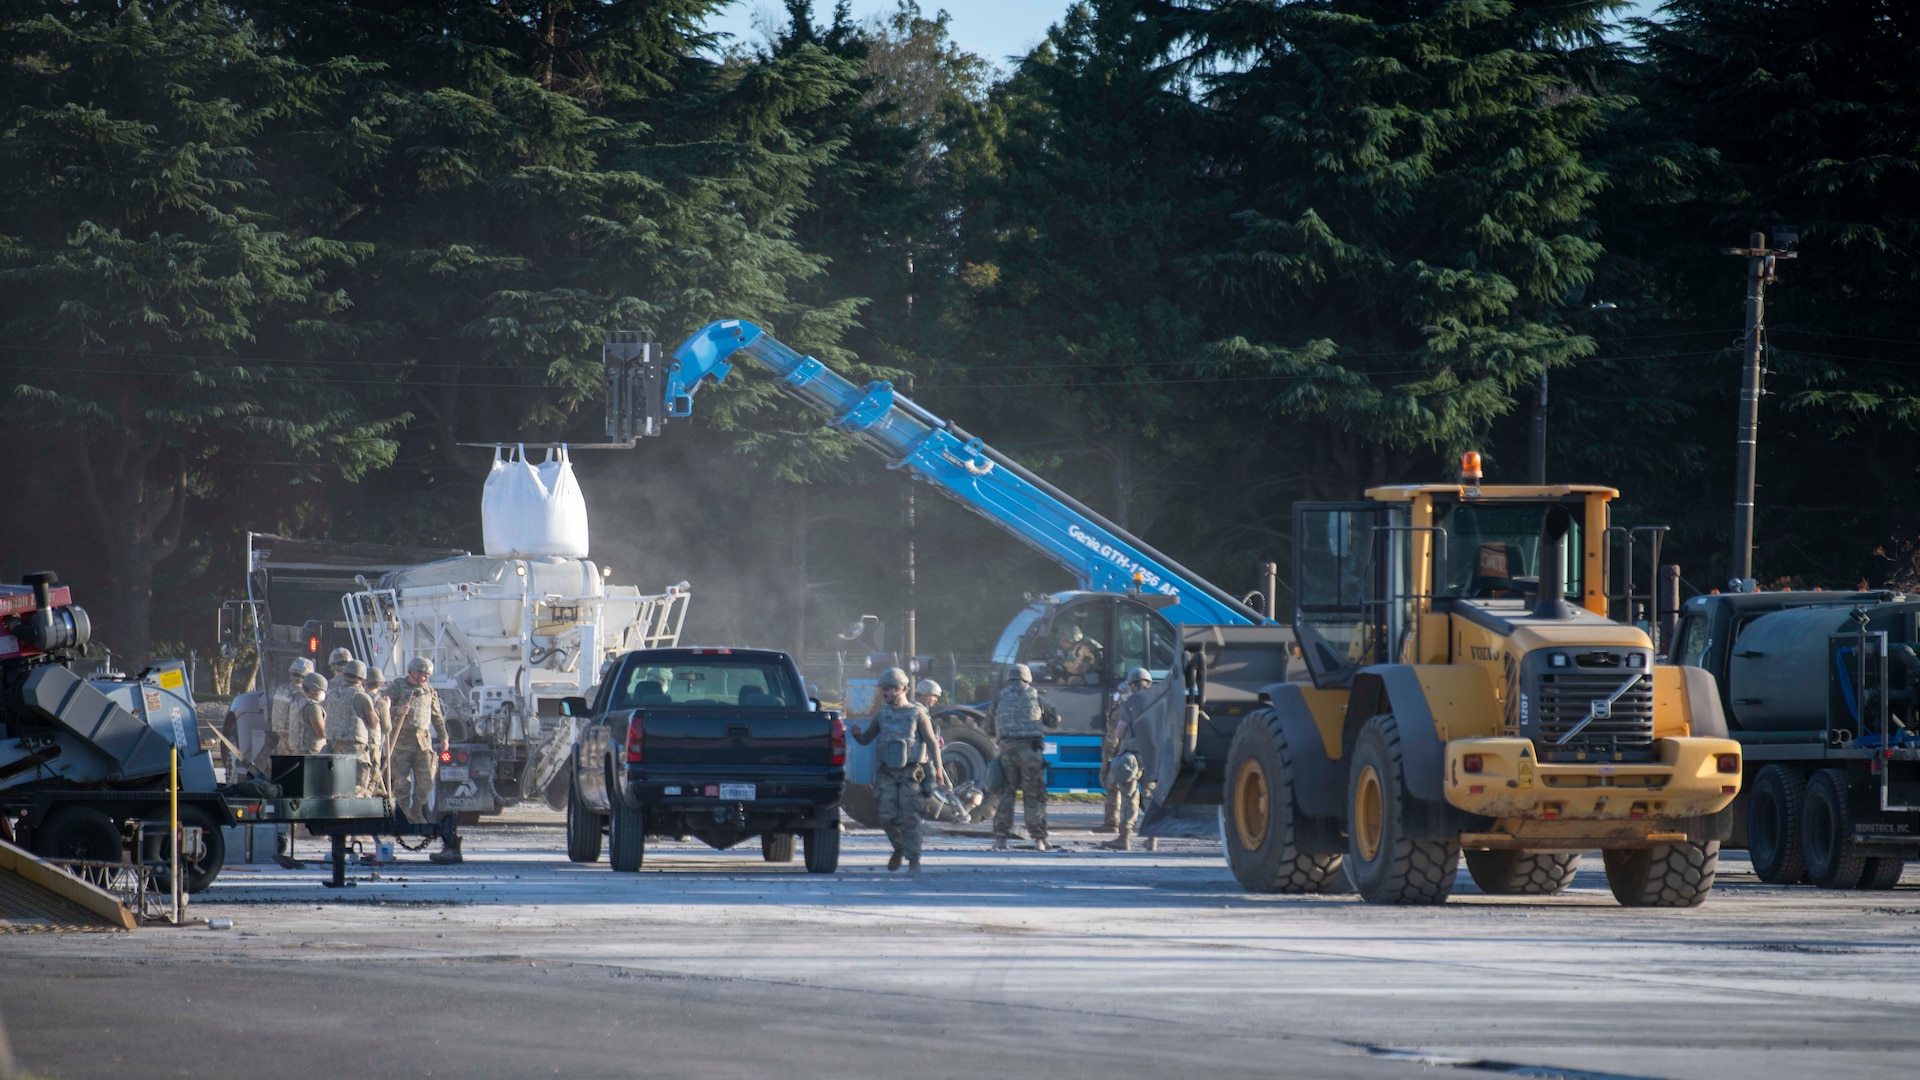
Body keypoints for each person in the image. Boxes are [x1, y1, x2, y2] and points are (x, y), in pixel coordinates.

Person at [847, 667, 945, 873]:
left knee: (910, 819)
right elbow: (867, 739)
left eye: (889, 689)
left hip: (911, 774)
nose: (885, 693)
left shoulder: (917, 714)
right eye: (883, 689)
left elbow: (932, 742)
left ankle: (914, 861)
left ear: (901, 689)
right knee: (885, 817)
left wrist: (938, 770)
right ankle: (900, 848)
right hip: (888, 774)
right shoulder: (882, 715)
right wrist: (856, 734)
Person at [986, 663, 1058, 851]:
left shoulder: (1000, 697)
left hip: (1007, 750)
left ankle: (1000, 839)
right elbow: (1054, 720)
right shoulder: (1035, 695)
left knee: (1006, 793)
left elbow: (987, 727)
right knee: (1034, 794)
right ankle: (1039, 840)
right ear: (1027, 678)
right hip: (1031, 751)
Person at [1100, 668, 1155, 851]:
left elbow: (1119, 732)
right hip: (1153, 756)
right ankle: (1152, 839)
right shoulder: (1158, 703)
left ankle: (1124, 838)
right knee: (1150, 796)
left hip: (1131, 755)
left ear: (1132, 685)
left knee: (1130, 796)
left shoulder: (1130, 704)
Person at [325, 660, 378, 796]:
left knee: (336, 787)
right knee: (357, 787)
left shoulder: (330, 695)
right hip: (355, 748)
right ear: (362, 678)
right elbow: (374, 723)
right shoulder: (361, 697)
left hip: (334, 746)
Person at [363, 666, 392, 798]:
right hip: (374, 743)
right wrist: (388, 708)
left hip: (358, 742)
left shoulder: (359, 698)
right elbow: (386, 728)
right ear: (380, 683)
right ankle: (367, 797)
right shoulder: (381, 703)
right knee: (373, 774)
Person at [297, 671, 329, 755]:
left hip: (297, 751)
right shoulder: (313, 707)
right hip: (311, 754)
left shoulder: (298, 702)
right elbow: (322, 733)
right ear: (314, 691)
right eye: (322, 690)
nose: (323, 693)